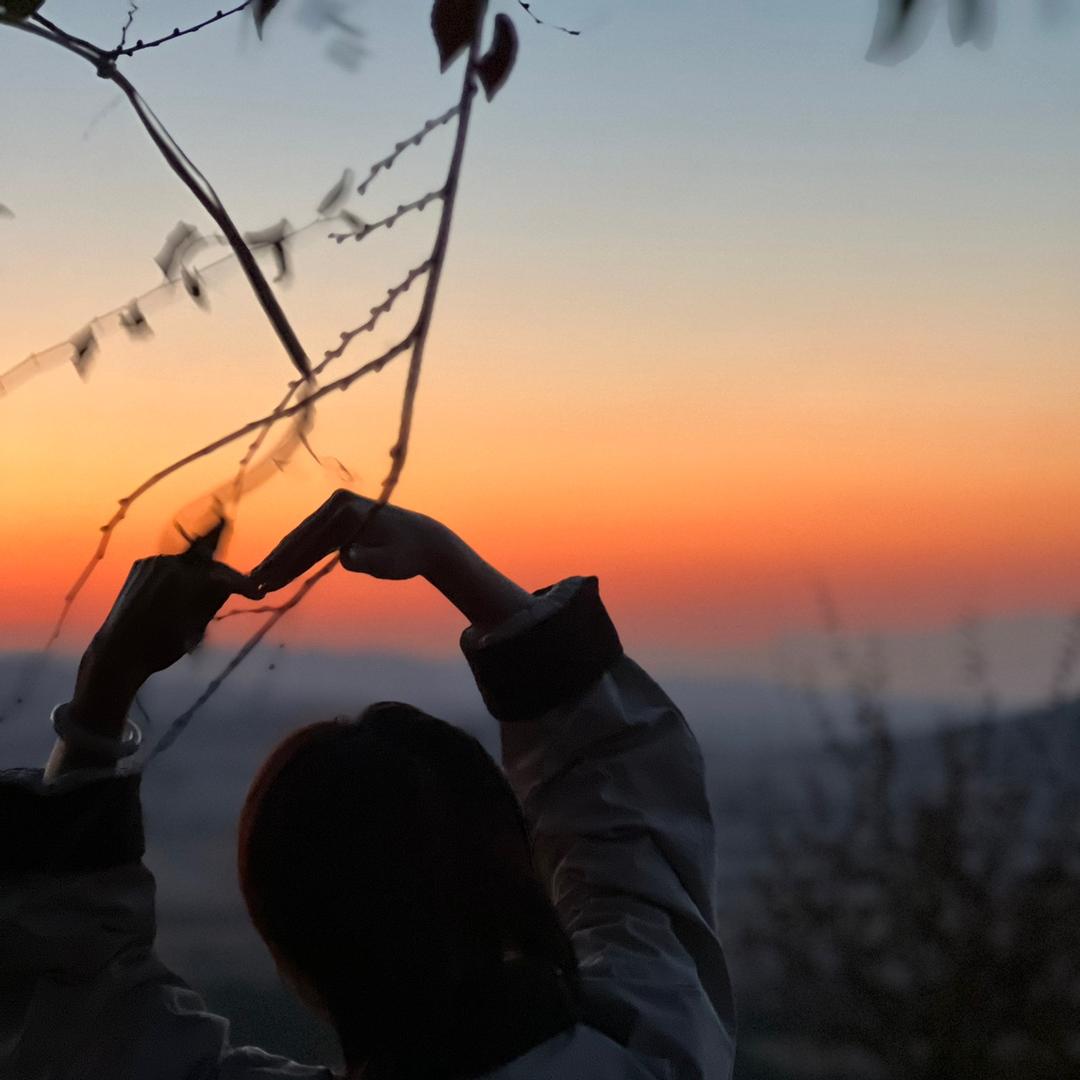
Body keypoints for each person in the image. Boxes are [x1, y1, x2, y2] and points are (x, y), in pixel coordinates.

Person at [0, 490, 736, 1080]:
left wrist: (104, 684)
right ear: (509, 876)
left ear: (287, 939)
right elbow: (623, 811)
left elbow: (78, 990)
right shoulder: (655, 1045)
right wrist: (450, 562)